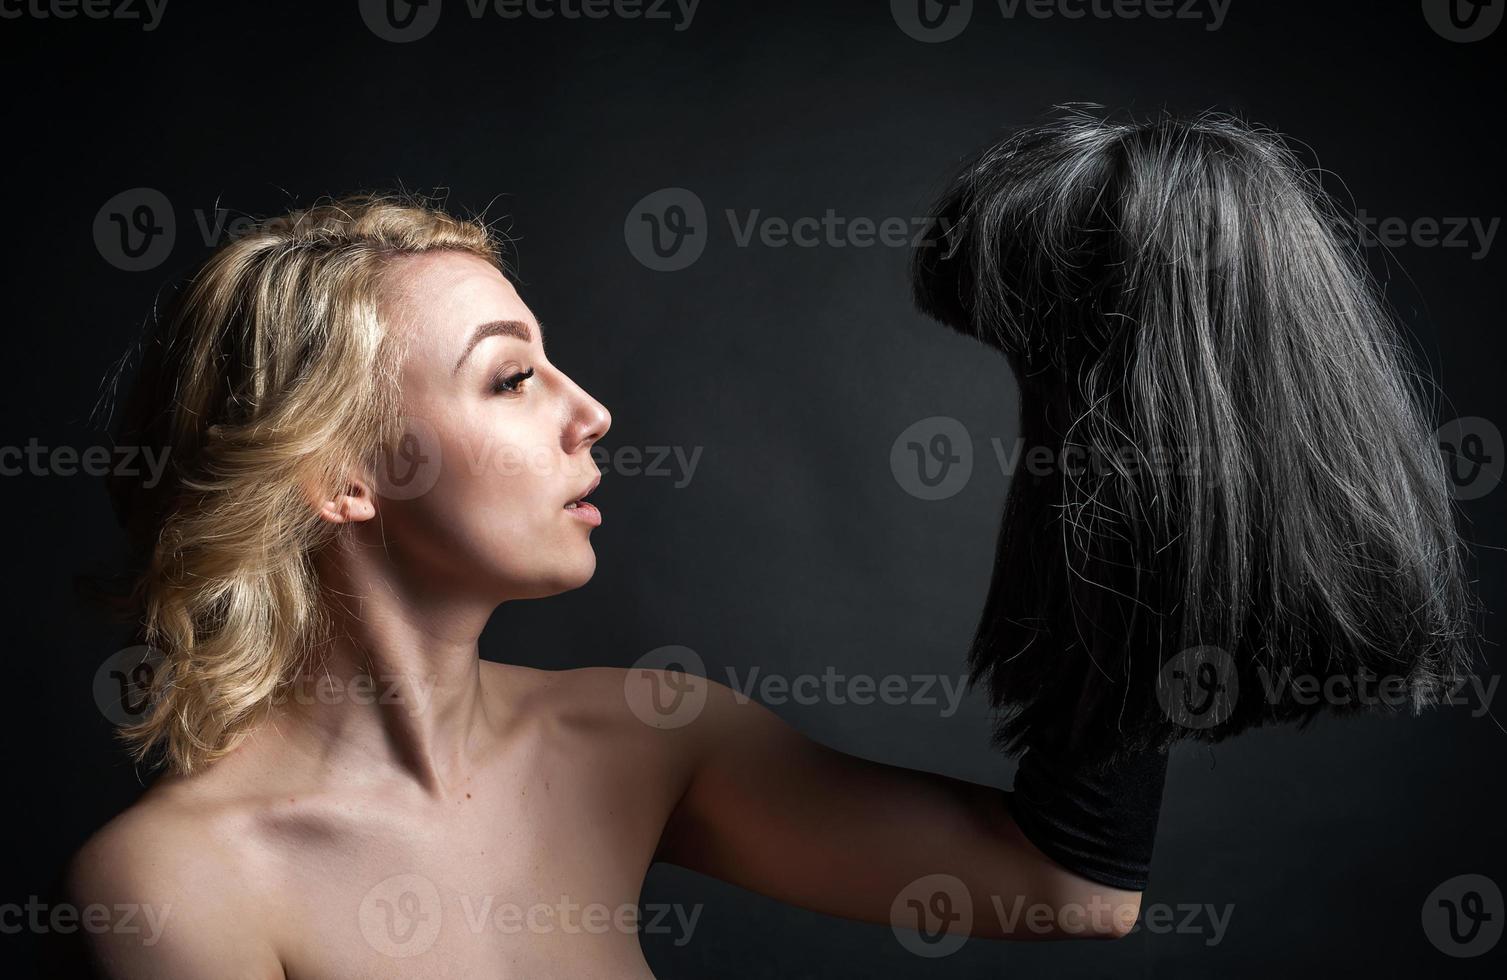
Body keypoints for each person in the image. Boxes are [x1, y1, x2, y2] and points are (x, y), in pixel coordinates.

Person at [67, 194, 1140, 980]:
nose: (590, 412)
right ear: (341, 474)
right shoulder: (179, 879)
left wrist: (1130, 423)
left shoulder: (642, 737)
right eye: (512, 375)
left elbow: (1072, 890)